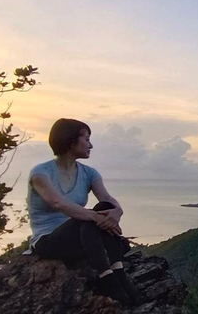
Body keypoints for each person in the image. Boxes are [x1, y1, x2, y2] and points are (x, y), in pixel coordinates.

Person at [27, 118, 138, 304]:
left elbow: (107, 199)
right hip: (48, 240)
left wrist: (117, 212)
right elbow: (57, 203)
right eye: (86, 139)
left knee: (104, 209)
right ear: (71, 142)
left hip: (81, 238)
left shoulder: (89, 173)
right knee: (86, 218)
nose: (91, 145)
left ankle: (117, 270)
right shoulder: (41, 173)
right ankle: (106, 277)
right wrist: (96, 218)